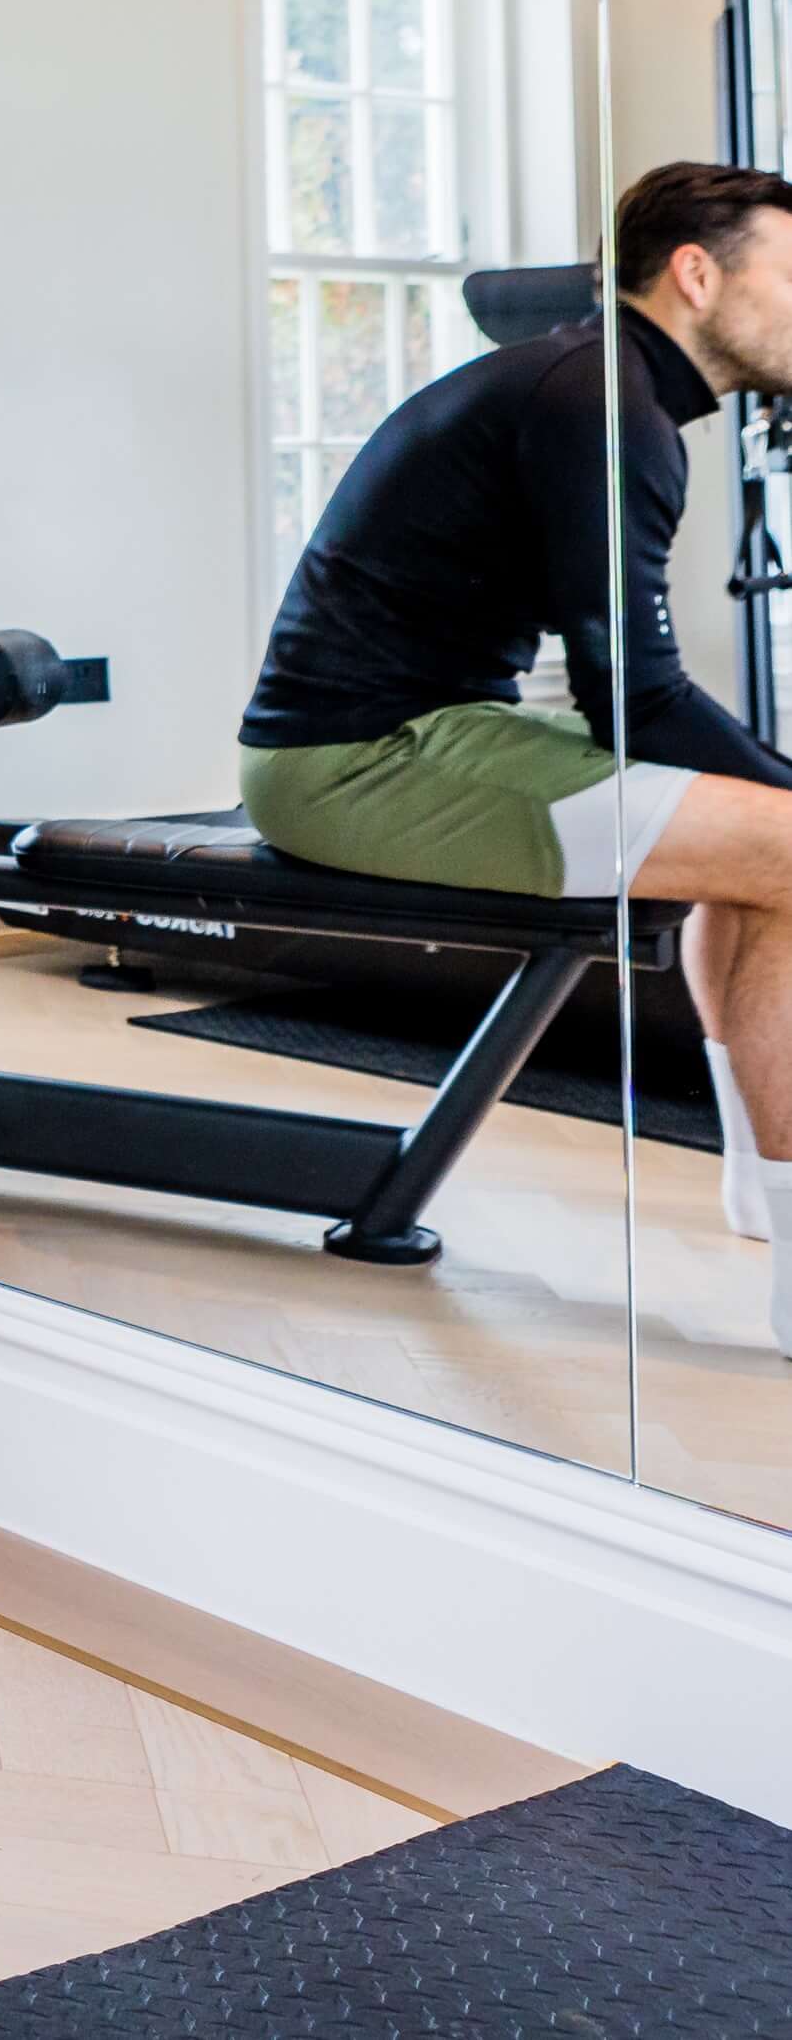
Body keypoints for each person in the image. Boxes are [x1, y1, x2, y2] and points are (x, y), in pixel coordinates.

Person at [240, 161, 792, 1339]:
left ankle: (761, 1193)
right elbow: (635, 699)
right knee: (781, 839)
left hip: (425, 731)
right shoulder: (601, 403)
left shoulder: (604, 390)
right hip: (355, 762)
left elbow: (633, 701)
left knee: (756, 851)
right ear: (697, 275)